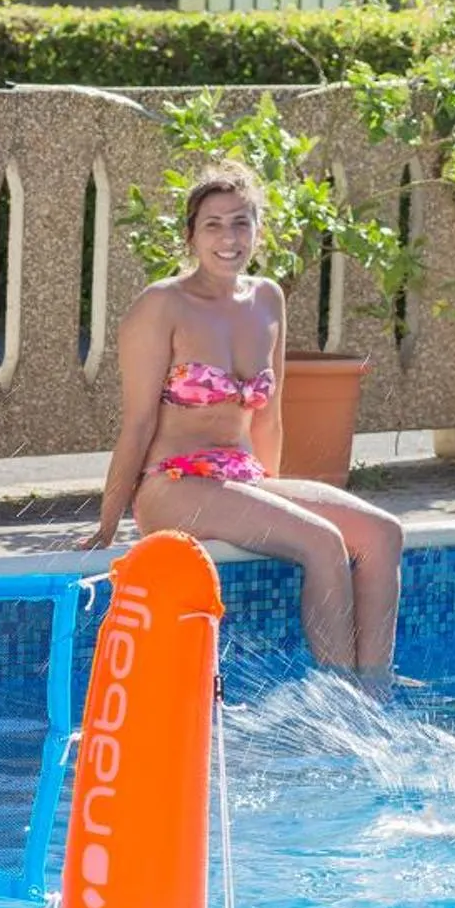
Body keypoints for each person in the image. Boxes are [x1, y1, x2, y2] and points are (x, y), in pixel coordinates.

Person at [85, 160, 409, 687]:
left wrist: (273, 504)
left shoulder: (267, 299)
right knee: (322, 541)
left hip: (242, 477)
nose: (228, 238)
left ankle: (375, 693)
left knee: (382, 533)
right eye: (213, 225)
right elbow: (138, 423)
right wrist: (107, 524)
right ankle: (341, 703)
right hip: (173, 483)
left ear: (258, 230)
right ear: (191, 235)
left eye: (241, 223)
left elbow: (268, 419)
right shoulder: (161, 306)